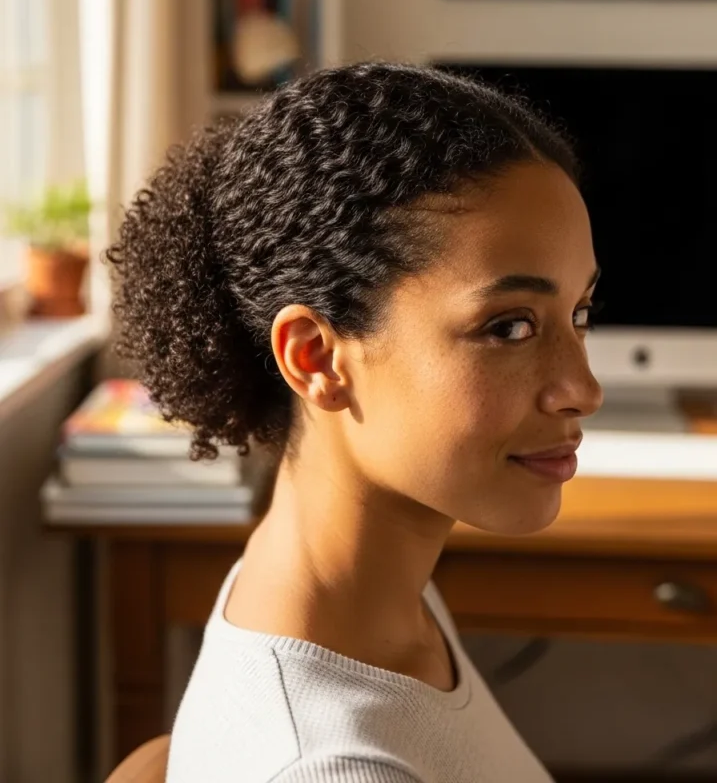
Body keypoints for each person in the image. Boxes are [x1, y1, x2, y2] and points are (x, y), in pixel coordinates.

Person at [104, 63, 603, 782]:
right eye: (509, 327)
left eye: (579, 312)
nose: (583, 389)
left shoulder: (366, 595)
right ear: (317, 359)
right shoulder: (333, 764)